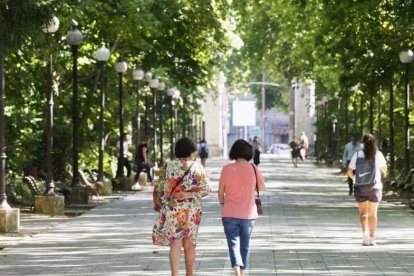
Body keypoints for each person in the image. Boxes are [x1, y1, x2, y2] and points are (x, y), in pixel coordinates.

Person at [152, 137, 211, 276]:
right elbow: (207, 189)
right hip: (192, 210)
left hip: (173, 209)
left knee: (175, 243)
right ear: (191, 151)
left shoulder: (167, 166)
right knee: (189, 244)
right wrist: (188, 194)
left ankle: (175, 274)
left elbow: (158, 188)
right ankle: (190, 274)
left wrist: (157, 202)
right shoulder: (197, 166)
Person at [218, 139, 265, 276]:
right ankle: (242, 273)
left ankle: (237, 273)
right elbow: (262, 188)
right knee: (245, 246)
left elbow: (221, 192)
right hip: (248, 214)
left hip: (229, 213)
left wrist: (223, 203)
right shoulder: (253, 168)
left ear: (234, 152)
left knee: (233, 245)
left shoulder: (226, 169)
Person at [347, 134, 387, 246]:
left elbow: (349, 172)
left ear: (363, 143)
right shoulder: (378, 154)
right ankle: (372, 238)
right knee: (373, 214)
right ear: (374, 143)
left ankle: (365, 235)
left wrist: (356, 180)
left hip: (360, 187)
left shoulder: (357, 155)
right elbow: (384, 169)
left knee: (363, 213)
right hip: (375, 187)